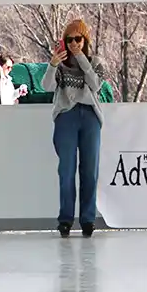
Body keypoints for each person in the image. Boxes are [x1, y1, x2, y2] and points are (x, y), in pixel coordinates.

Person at [42, 18, 104, 238]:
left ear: (85, 39)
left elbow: (96, 85)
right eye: (69, 40)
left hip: (90, 116)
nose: (73, 43)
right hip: (66, 115)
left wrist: (81, 58)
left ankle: (88, 219)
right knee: (66, 170)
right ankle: (65, 219)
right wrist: (52, 65)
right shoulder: (60, 63)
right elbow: (46, 86)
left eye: (78, 39)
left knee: (90, 170)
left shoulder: (95, 61)